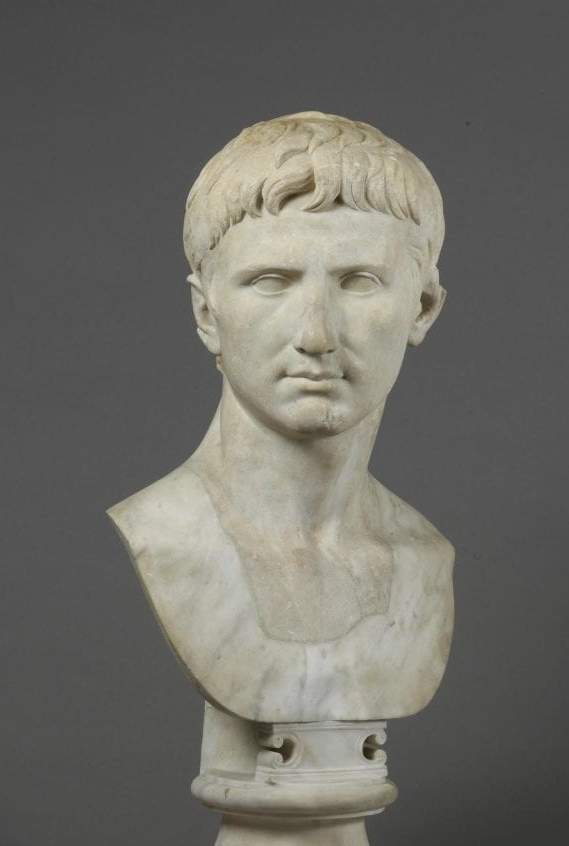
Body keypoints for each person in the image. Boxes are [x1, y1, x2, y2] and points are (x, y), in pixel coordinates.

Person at [109, 112, 454, 724]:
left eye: (359, 282)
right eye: (272, 282)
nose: (316, 335)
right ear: (207, 313)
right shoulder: (165, 537)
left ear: (422, 307)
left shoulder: (423, 559)